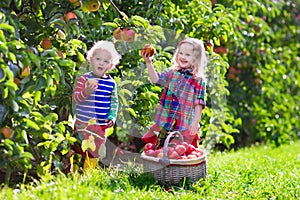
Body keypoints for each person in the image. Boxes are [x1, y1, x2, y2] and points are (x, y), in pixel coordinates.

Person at [140, 38, 208, 148]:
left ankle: (181, 165)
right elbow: (155, 79)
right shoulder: (172, 73)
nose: (182, 57)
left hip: (184, 123)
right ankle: (160, 163)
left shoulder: (198, 80)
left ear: (196, 58)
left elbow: (198, 104)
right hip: (166, 120)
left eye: (187, 54)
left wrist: (195, 123)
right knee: (161, 147)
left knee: (180, 149)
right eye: (180, 53)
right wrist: (148, 62)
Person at [73, 40, 121, 171]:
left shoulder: (111, 84)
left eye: (106, 61)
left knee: (95, 151)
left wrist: (111, 117)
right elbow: (76, 98)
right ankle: (74, 172)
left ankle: (87, 175)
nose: (101, 63)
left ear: (110, 66)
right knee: (78, 148)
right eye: (98, 59)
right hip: (83, 123)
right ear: (91, 60)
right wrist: (86, 92)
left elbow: (114, 102)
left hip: (100, 126)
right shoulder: (84, 79)